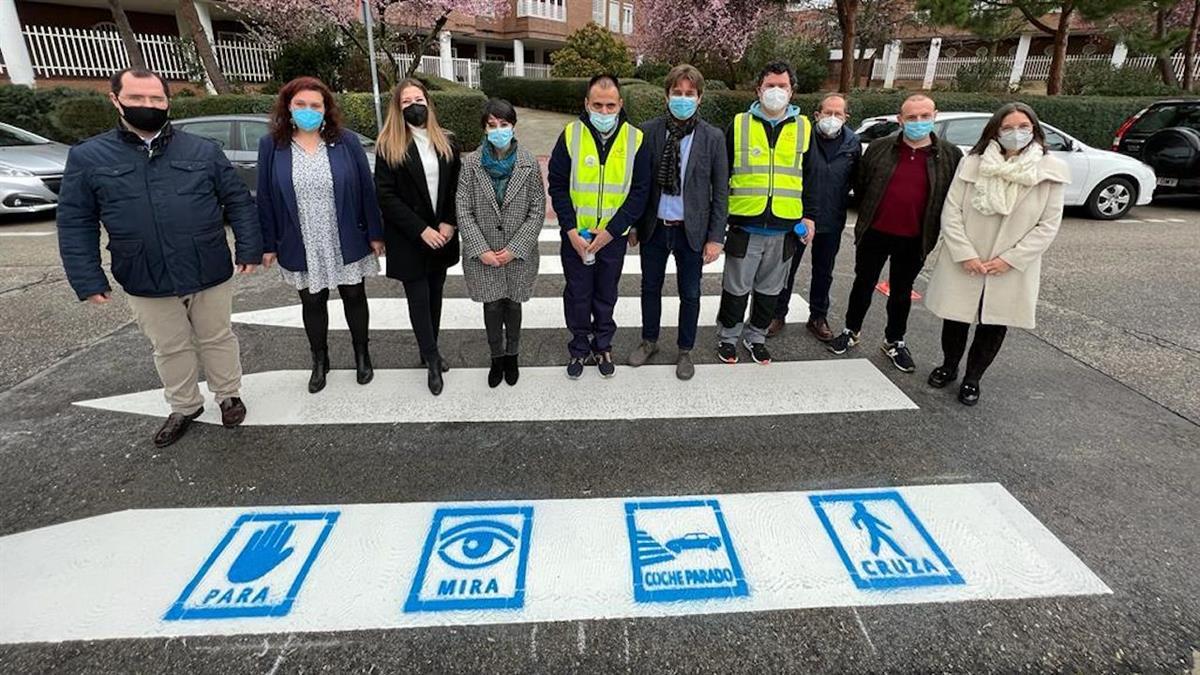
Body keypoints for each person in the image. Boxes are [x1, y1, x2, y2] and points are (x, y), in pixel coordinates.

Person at [57, 67, 261, 447]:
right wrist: (87, 278)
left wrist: (248, 247)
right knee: (169, 346)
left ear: (168, 102)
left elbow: (238, 201)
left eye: (156, 99)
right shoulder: (89, 157)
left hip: (207, 266)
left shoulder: (202, 150)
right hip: (143, 272)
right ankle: (184, 406)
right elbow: (75, 221)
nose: (147, 106)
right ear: (115, 100)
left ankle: (229, 394)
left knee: (217, 337)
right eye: (137, 98)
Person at [923, 103, 1069, 406]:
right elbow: (951, 211)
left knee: (993, 323)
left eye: (1023, 127)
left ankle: (973, 379)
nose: (1016, 133)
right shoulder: (973, 164)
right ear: (995, 130)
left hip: (1011, 264)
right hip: (967, 257)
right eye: (1008, 127)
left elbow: (1048, 225)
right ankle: (949, 366)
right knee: (956, 317)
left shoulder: (1049, 171)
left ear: (1034, 130)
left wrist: (1010, 260)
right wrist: (964, 253)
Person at [256, 76, 384, 395]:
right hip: (301, 238)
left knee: (354, 296)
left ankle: (361, 354)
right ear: (288, 106)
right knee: (313, 301)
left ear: (326, 109)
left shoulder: (346, 142)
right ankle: (320, 360)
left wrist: (376, 233)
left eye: (316, 105)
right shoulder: (273, 145)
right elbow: (266, 198)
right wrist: (268, 244)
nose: (308, 110)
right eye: (301, 104)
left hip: (344, 233)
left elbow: (367, 190)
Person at [828, 94, 963, 373]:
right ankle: (851, 330)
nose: (918, 122)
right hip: (875, 232)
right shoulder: (879, 148)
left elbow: (951, 197)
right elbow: (862, 184)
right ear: (900, 120)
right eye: (911, 117)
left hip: (916, 236)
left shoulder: (950, 155)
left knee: (901, 292)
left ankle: (894, 340)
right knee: (863, 283)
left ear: (934, 116)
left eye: (924, 116)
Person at [627, 64, 729, 381]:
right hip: (655, 227)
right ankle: (649, 341)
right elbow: (637, 184)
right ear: (666, 96)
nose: (682, 99)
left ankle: (685, 349)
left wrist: (716, 237)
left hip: (691, 231)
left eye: (689, 94)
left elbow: (721, 190)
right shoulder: (648, 132)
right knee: (649, 288)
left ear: (699, 98)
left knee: (691, 293)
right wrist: (632, 225)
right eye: (677, 93)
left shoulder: (713, 137)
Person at [547, 74, 652, 379]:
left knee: (606, 293)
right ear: (586, 103)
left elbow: (639, 192)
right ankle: (579, 347)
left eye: (610, 106)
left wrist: (612, 231)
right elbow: (558, 186)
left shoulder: (636, 139)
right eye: (597, 105)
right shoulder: (570, 135)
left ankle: (603, 344)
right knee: (578, 294)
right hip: (576, 237)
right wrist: (569, 230)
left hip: (612, 238)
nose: (604, 112)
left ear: (620, 104)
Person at [715, 62, 814, 366]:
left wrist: (808, 215)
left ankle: (756, 336)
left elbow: (810, 176)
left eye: (782, 86)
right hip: (745, 223)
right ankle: (728, 337)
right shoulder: (740, 123)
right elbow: (722, 173)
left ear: (791, 90)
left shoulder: (804, 127)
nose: (776, 92)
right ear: (758, 89)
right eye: (770, 85)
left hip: (785, 227)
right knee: (736, 287)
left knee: (770, 290)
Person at [374, 79, 461, 396]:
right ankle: (433, 360)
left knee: (435, 296)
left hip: (442, 235)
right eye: (406, 101)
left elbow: (455, 188)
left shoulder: (446, 141)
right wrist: (420, 229)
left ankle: (429, 349)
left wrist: (449, 223)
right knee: (419, 298)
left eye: (419, 99)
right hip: (410, 237)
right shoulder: (388, 145)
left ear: (429, 102)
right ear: (398, 108)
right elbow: (386, 196)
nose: (414, 105)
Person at [456, 99, 545, 388]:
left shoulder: (528, 163)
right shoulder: (470, 163)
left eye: (504, 125)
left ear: (513, 126)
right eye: (492, 125)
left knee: (513, 305)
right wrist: (480, 249)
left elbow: (537, 210)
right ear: (484, 128)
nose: (498, 130)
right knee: (492, 307)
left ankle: (512, 355)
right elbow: (463, 208)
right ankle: (496, 356)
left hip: (517, 254)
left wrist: (515, 248)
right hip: (484, 254)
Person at [767, 92, 860, 342]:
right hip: (798, 216)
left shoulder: (853, 144)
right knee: (787, 268)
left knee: (824, 270)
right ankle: (777, 313)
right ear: (817, 115)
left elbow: (855, 180)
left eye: (838, 113)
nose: (832, 118)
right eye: (827, 113)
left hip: (832, 218)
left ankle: (818, 316)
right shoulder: (804, 137)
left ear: (846, 117)